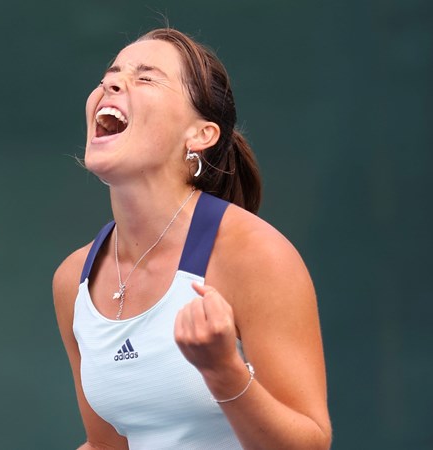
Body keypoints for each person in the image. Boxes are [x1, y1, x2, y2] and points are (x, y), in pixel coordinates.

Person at [53, 28, 332, 449]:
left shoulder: (257, 256)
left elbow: (311, 444)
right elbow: (108, 446)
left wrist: (224, 372)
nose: (111, 83)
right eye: (109, 75)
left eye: (146, 77)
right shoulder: (72, 279)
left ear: (201, 135)